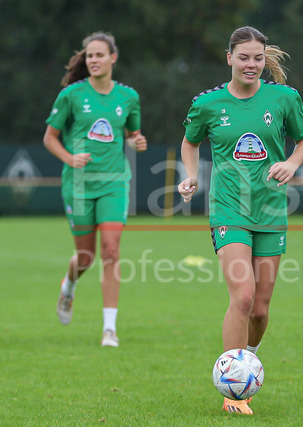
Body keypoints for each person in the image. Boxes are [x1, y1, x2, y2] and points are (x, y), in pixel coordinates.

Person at [177, 26, 303, 415]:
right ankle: (232, 389)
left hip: (270, 211)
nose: (251, 64)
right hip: (229, 210)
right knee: (242, 296)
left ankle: (248, 360)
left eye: (257, 58)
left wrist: (291, 163)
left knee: (260, 309)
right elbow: (190, 142)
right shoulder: (207, 103)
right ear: (230, 58)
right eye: (243, 57)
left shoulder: (284, 98)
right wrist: (192, 176)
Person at [43, 32, 147, 348]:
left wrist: (136, 141)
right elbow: (50, 137)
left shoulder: (128, 97)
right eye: (89, 55)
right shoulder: (71, 95)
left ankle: (109, 330)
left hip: (114, 183)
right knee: (86, 257)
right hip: (78, 185)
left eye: (99, 55)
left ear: (113, 58)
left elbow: (132, 133)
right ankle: (69, 286)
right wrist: (69, 158)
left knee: (111, 251)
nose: (93, 60)